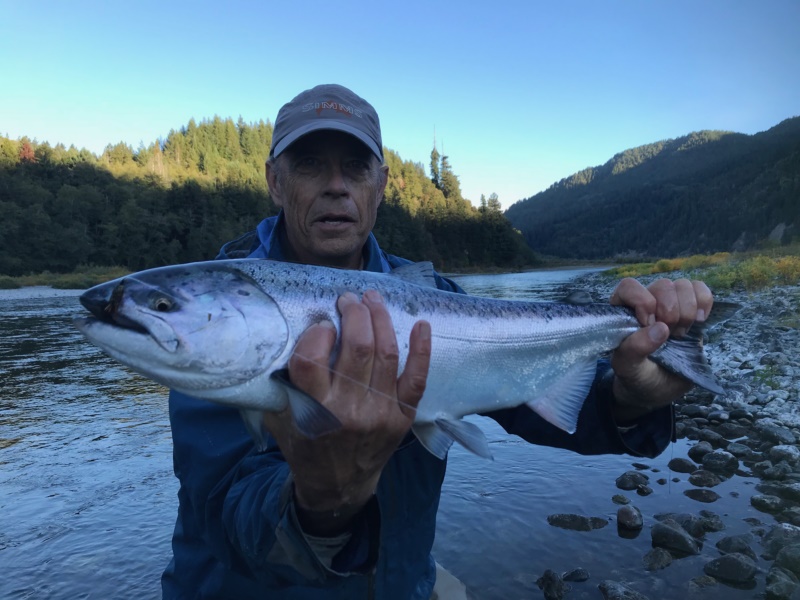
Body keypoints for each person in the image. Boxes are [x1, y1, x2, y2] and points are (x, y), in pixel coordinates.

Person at [161, 84, 715, 599]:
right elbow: (225, 516)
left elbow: (548, 406)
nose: (336, 185)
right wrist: (322, 500)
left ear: (379, 187)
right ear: (275, 183)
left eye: (355, 167)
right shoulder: (216, 320)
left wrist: (631, 397)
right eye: (309, 165)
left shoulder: (434, 295)